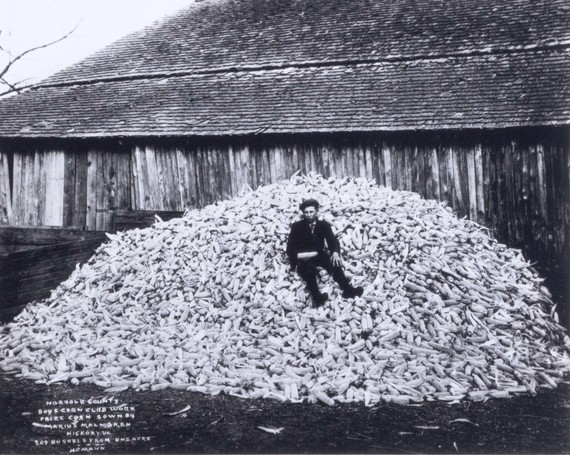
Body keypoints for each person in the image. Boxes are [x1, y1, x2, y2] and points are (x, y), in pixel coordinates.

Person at [286, 199, 364, 307]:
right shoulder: (297, 226)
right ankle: (317, 297)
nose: (308, 215)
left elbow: (332, 240)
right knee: (308, 271)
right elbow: (290, 248)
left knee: (335, 263)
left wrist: (335, 253)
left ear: (316, 212)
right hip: (302, 257)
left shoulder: (323, 225)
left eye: (311, 212)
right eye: (306, 212)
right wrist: (299, 256)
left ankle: (348, 290)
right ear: (303, 213)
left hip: (319, 255)